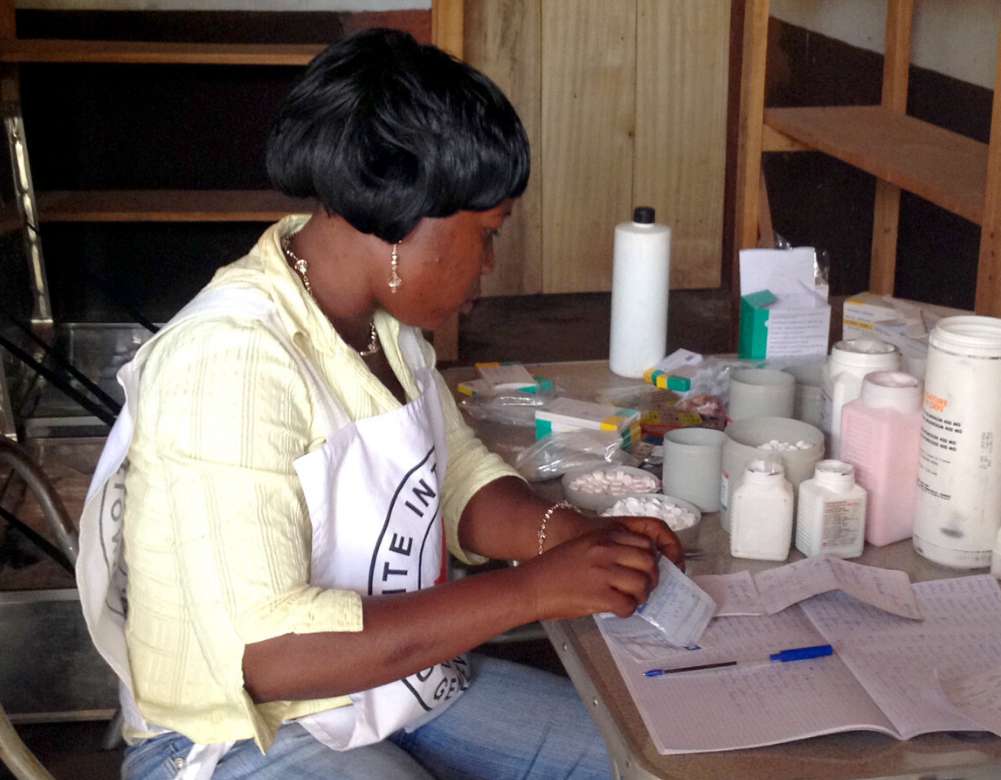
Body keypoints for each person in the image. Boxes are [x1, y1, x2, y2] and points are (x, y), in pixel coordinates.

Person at [77, 27, 683, 780]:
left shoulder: (380, 325)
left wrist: (571, 537)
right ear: (401, 211)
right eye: (486, 234)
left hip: (390, 686)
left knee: (651, 762)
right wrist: (532, 589)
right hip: (239, 737)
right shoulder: (231, 361)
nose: (490, 264)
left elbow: (451, 475)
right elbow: (271, 656)